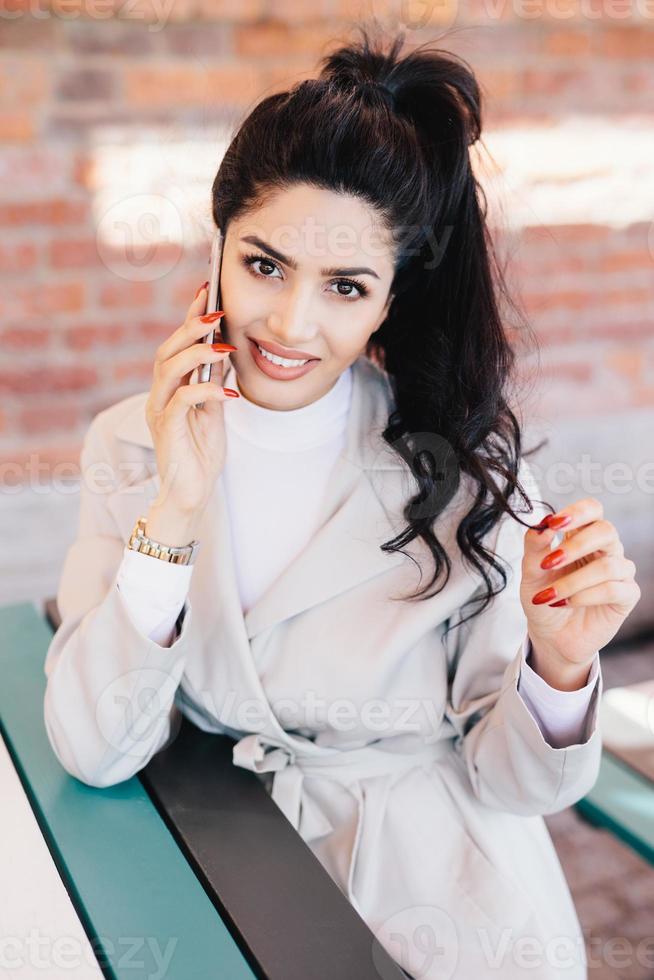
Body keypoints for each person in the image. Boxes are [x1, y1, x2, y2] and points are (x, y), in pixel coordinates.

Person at [43, 23, 640, 980]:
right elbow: (95, 748)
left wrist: (559, 666)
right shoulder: (129, 443)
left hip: (449, 896)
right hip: (229, 872)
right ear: (219, 246)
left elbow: (516, 783)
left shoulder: (464, 464)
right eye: (265, 264)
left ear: (390, 302)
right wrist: (176, 511)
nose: (289, 324)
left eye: (346, 286)